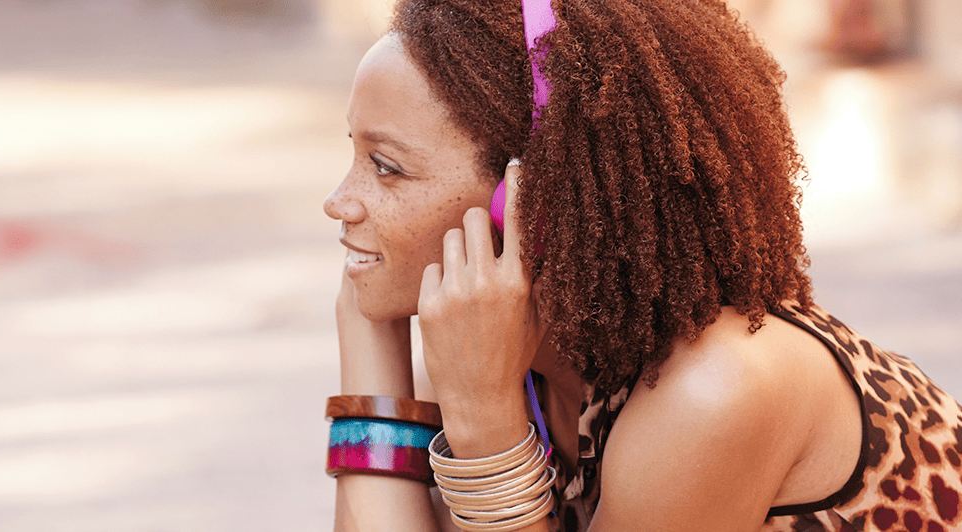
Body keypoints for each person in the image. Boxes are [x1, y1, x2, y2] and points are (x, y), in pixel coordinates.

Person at [320, 0, 962, 531]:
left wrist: (488, 429)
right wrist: (370, 337)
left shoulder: (713, 390)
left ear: (527, 204)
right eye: (355, 152)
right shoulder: (489, 362)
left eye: (387, 166)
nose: (338, 202)